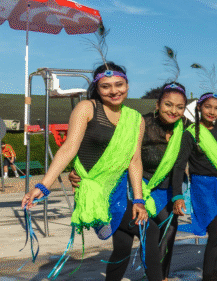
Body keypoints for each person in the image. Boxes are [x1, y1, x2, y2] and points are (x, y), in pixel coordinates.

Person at [21, 62, 162, 281]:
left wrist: (138, 199)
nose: (114, 91)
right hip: (95, 193)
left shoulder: (135, 119)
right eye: (106, 86)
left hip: (122, 189)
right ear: (97, 88)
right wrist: (43, 185)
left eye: (119, 84)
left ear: (127, 85)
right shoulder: (87, 108)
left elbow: (134, 161)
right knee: (150, 231)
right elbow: (69, 148)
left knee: (124, 244)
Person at [69, 81, 190, 281]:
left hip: (166, 190)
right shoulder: (140, 123)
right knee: (137, 239)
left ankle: (162, 276)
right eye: (168, 104)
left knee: (161, 234)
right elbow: (112, 152)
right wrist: (79, 171)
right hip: (132, 189)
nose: (173, 111)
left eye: (179, 107)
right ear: (158, 104)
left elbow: (186, 161)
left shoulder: (186, 129)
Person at [173, 92, 217, 281]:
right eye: (208, 107)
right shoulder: (190, 133)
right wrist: (177, 195)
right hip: (203, 189)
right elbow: (179, 165)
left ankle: (212, 276)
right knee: (216, 234)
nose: (212, 111)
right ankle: (210, 278)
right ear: (199, 108)